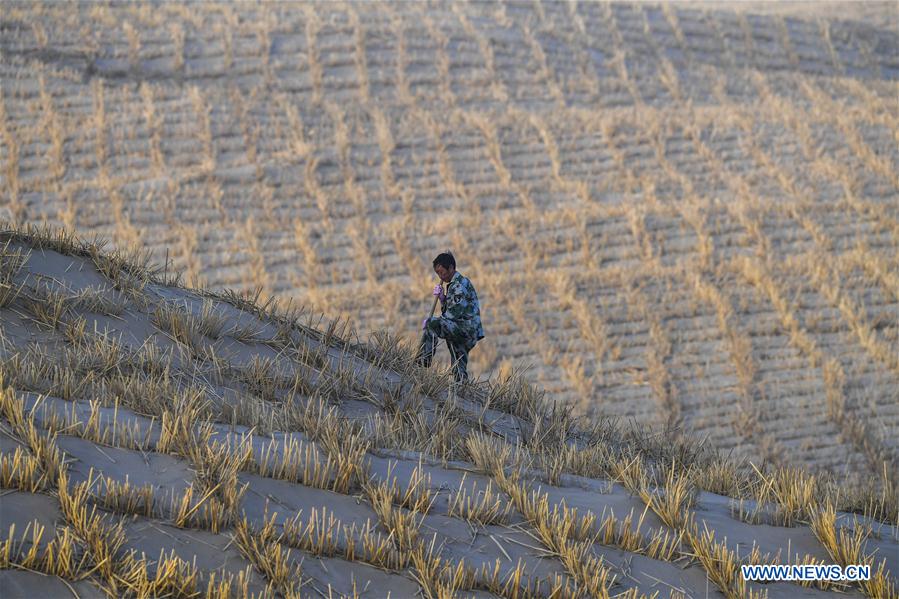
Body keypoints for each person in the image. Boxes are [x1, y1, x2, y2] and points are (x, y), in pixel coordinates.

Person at [418, 251, 484, 384]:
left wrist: (432, 323)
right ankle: (462, 387)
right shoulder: (457, 284)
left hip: (464, 329)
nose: (441, 276)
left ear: (451, 268)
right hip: (467, 330)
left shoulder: (458, 285)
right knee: (458, 366)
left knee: (432, 324)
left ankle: (421, 362)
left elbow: (453, 314)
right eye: (438, 273)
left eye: (442, 272)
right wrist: (443, 299)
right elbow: (453, 310)